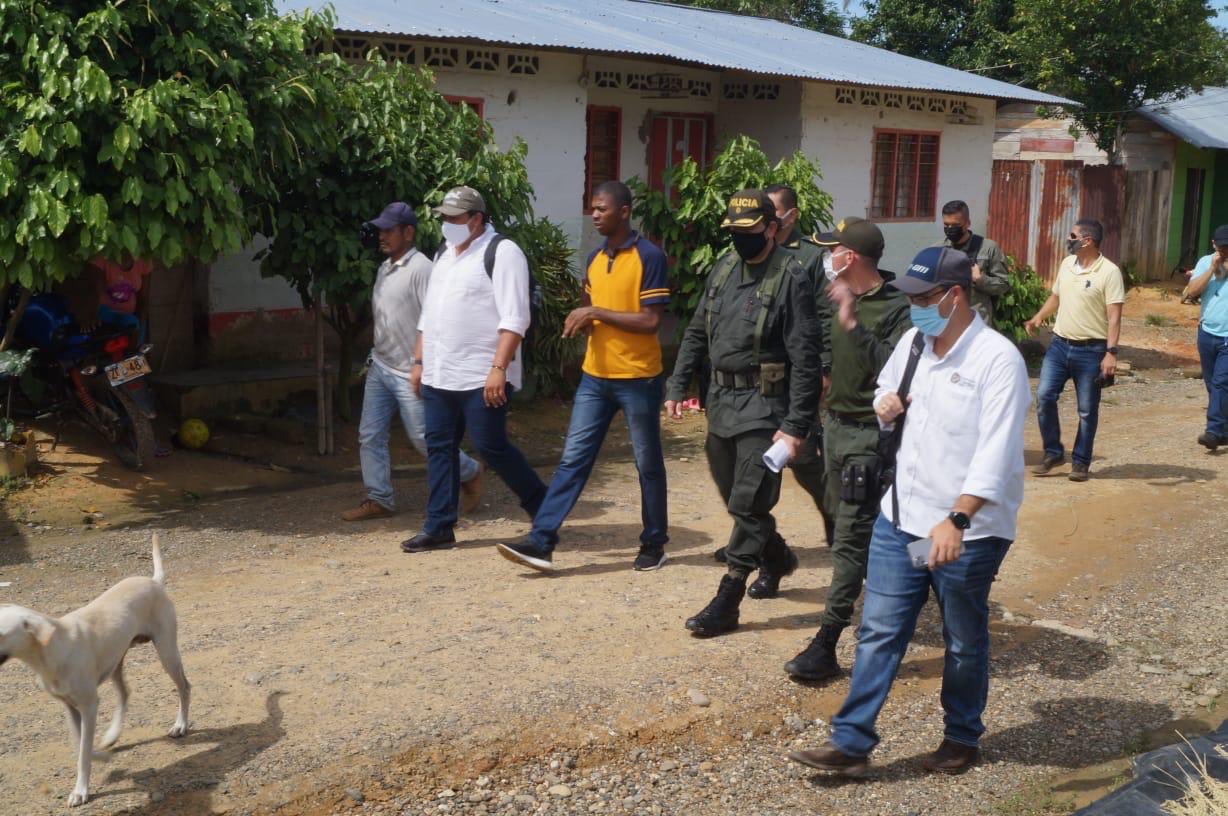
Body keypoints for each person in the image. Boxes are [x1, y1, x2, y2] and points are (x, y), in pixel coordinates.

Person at [788, 246, 1030, 778]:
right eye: (913, 298)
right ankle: (850, 743)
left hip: (965, 533)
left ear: (955, 296)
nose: (916, 307)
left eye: (924, 298)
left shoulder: (997, 360)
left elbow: (996, 453)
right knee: (879, 629)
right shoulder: (914, 342)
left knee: (963, 639)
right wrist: (886, 405)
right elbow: (886, 389)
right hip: (902, 521)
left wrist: (958, 520)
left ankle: (962, 736)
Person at [664, 189, 821, 636]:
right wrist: (677, 384)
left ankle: (728, 598)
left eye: (748, 231)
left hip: (766, 408)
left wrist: (795, 426)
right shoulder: (725, 267)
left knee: (749, 501)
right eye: (733, 232)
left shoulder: (790, 277)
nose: (739, 239)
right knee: (737, 499)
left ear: (772, 229)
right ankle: (777, 557)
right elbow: (697, 330)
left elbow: (806, 359)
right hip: (721, 403)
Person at [495, 181, 671, 572]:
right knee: (572, 460)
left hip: (639, 379)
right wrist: (582, 320)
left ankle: (654, 543)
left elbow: (650, 320)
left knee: (647, 463)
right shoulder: (593, 258)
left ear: (624, 211)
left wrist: (596, 314)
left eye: (602, 208)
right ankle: (541, 542)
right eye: (592, 208)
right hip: (595, 378)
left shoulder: (650, 256)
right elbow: (589, 310)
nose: (595, 214)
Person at [782, 217, 911, 681]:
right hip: (833, 430)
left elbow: (894, 370)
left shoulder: (897, 308)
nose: (827, 258)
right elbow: (822, 352)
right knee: (844, 531)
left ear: (850, 256)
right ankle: (891, 599)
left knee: (851, 540)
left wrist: (853, 323)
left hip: (867, 439)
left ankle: (827, 642)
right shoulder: (835, 295)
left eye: (833, 250)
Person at [402, 186, 546, 553]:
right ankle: (438, 526)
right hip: (440, 371)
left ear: (477, 219)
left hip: (482, 374)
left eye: (454, 218)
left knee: (491, 446)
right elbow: (429, 314)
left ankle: (546, 510)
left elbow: (516, 317)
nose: (447, 224)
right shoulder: (444, 254)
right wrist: (419, 361)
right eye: (445, 218)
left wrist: (499, 367)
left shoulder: (503, 252)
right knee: (440, 447)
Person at [342, 202, 483, 522]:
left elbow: (436, 319)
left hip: (412, 371)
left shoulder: (422, 269)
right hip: (381, 365)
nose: (382, 236)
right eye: (380, 230)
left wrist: (424, 364)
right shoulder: (385, 267)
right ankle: (379, 497)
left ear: (409, 232)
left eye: (389, 230)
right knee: (370, 434)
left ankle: (470, 471)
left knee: (423, 438)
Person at [1024, 218, 1124, 482]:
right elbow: (1056, 296)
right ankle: (1053, 452)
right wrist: (1037, 318)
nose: (1069, 240)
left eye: (1072, 236)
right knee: (1044, 397)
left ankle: (1080, 462)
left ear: (1087, 240)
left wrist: (1111, 352)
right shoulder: (1067, 264)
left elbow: (1114, 317)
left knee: (1087, 410)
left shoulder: (1109, 272)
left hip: (1091, 351)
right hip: (1059, 345)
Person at [767, 184, 836, 552]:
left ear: (791, 216)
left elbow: (825, 316)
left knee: (804, 458)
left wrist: (824, 368)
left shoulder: (809, 258)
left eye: (775, 214)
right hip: (761, 375)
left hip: (800, 373)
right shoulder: (751, 254)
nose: (768, 222)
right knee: (754, 458)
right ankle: (757, 538)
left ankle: (835, 514)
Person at [1183, 224, 1228, 450]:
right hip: (1207, 332)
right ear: (1214, 245)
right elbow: (1192, 291)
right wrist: (1212, 269)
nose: (1226, 251)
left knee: (1221, 383)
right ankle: (1224, 429)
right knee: (1212, 384)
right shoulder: (1205, 262)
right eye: (1222, 247)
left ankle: (1213, 431)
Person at [938, 200, 1010, 325]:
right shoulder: (937, 250)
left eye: (955, 225)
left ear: (968, 223)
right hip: (946, 322)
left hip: (977, 324)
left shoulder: (987, 248)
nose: (950, 229)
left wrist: (980, 279)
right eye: (946, 225)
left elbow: (1004, 285)